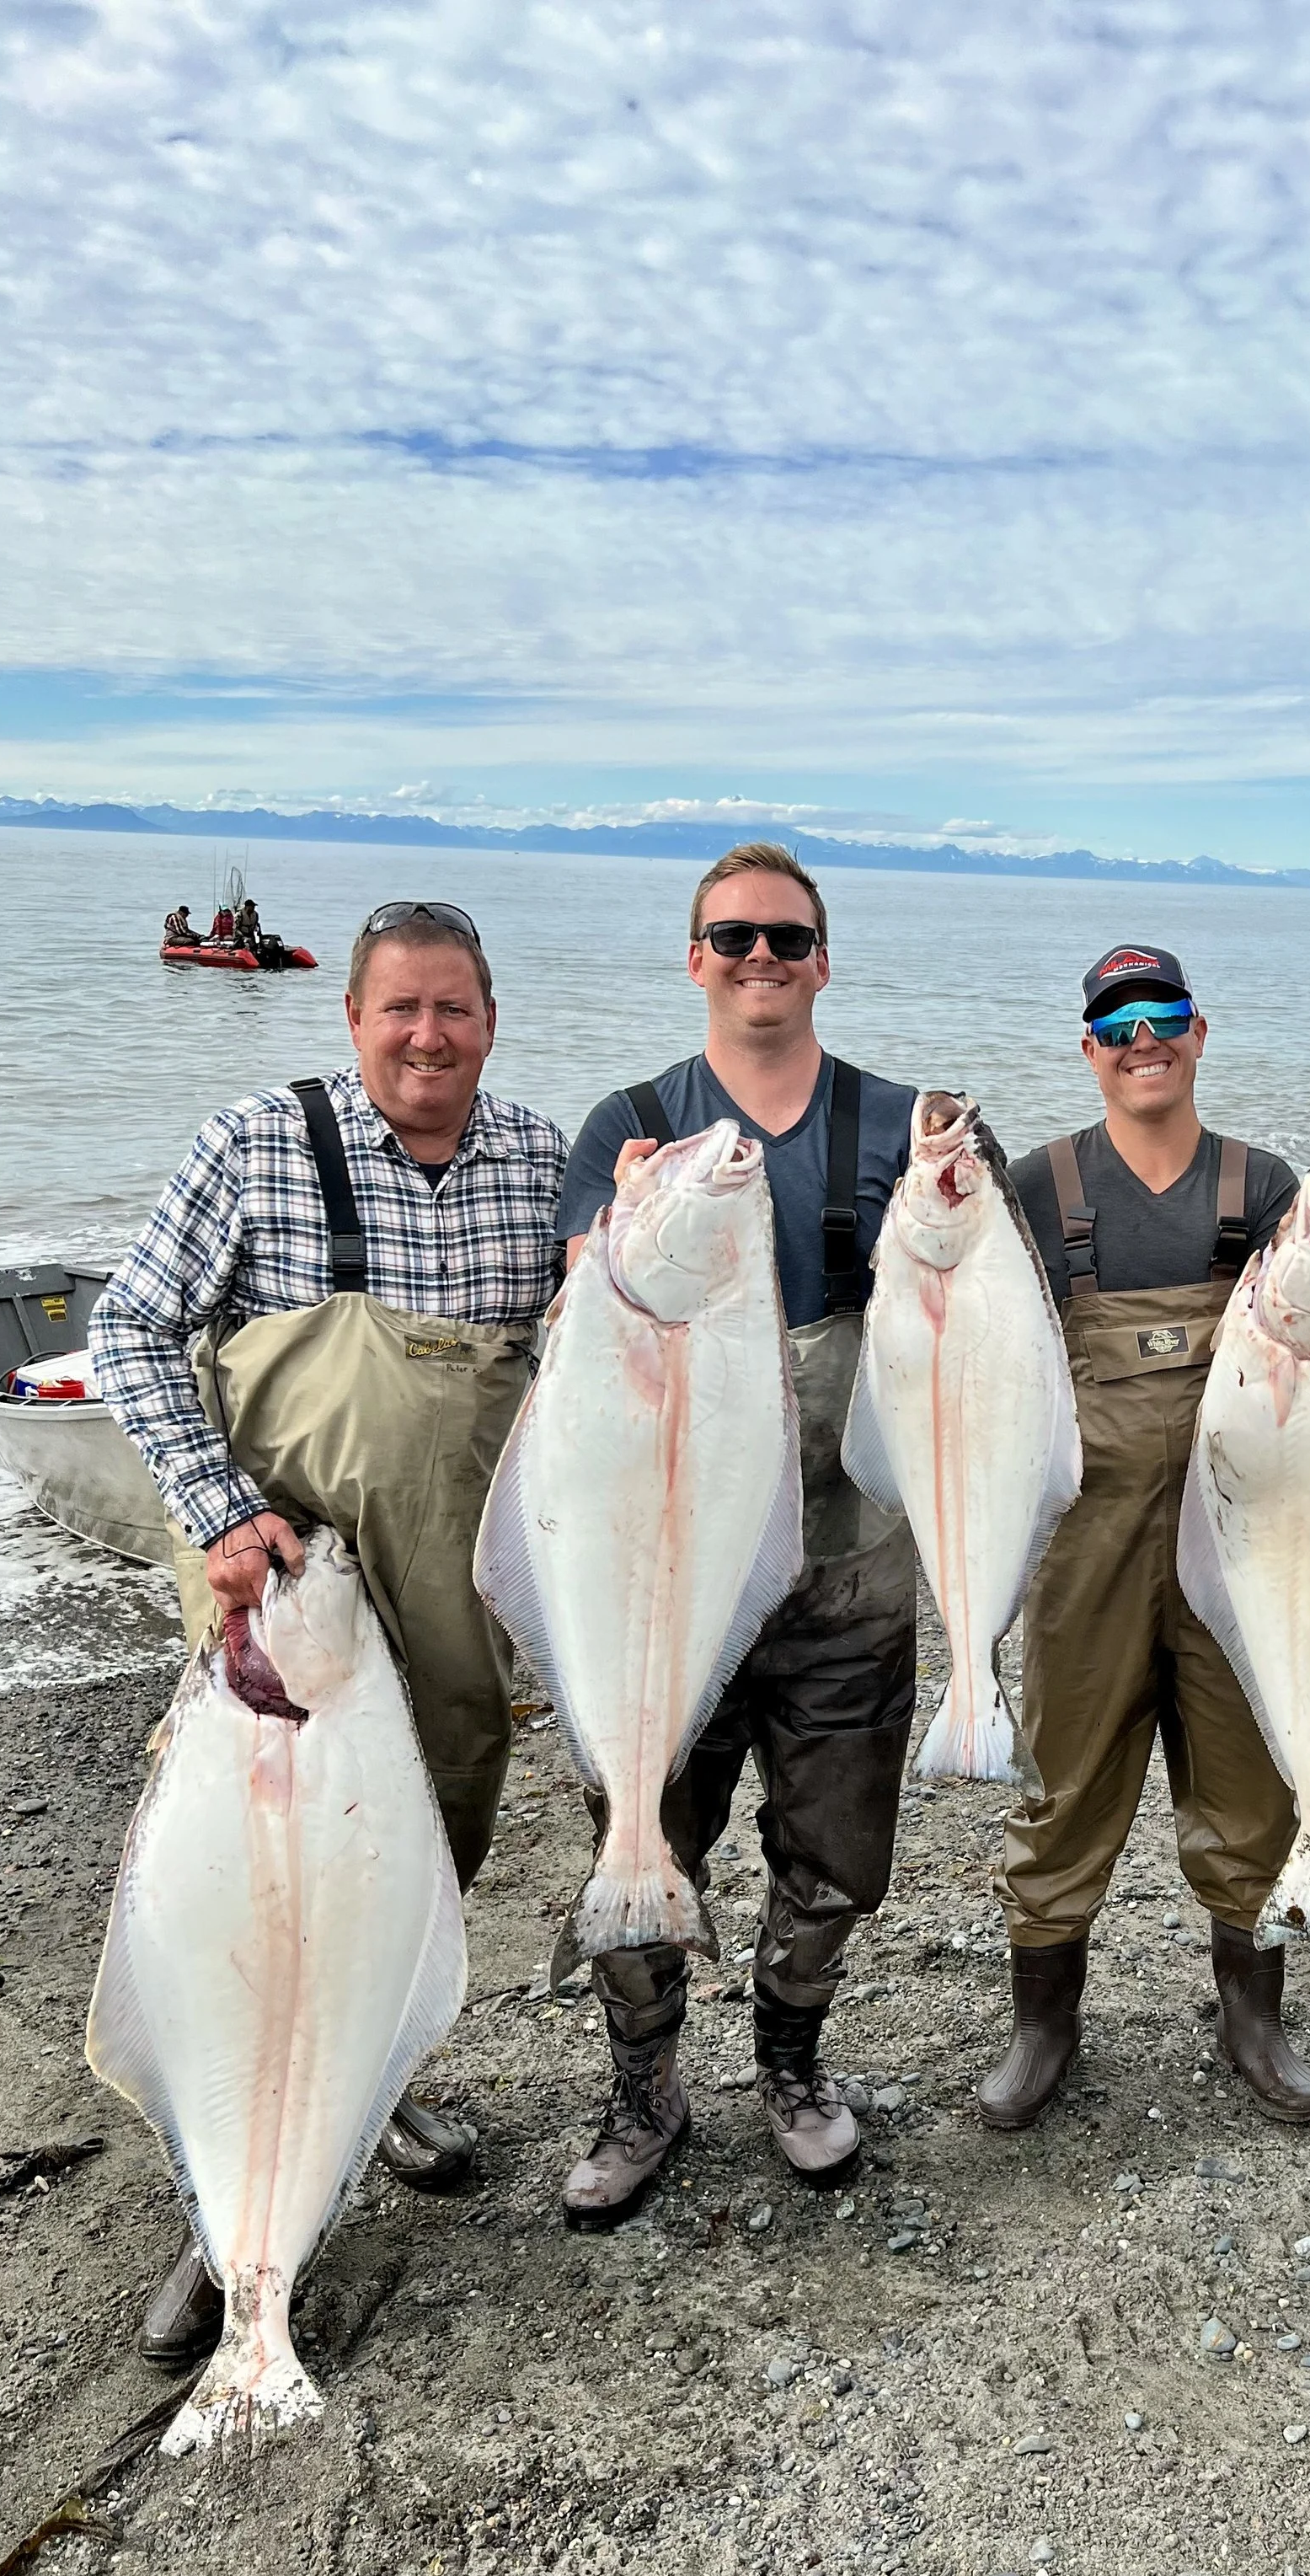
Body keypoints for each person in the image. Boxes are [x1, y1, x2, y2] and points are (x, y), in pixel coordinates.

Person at [93, 900, 568, 2355]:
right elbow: (127, 1329)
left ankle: (372, 2085)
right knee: (247, 1889)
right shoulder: (257, 1144)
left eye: (456, 1010)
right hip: (280, 1599)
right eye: (399, 1010)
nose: (428, 1037)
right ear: (351, 1017)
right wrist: (221, 1508)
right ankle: (223, 2212)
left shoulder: (544, 1163)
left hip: (451, 1595)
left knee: (426, 1847)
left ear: (492, 1018)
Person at [553, 843, 925, 2218]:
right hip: (665, 1580)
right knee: (639, 1828)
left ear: (823, 959)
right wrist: (614, 1236)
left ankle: (789, 2054)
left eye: (785, 938)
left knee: (839, 1855)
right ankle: (645, 2085)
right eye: (731, 938)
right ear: (692, 957)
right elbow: (578, 1314)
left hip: (848, 1571)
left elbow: (981, 1319)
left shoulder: (900, 1123)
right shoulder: (628, 1126)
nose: (758, 959)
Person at [978, 943, 1310, 2130]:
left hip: (1241, 1544)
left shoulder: (1264, 1188)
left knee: (1250, 1781)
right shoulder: (1033, 1189)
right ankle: (1042, 2030)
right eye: (1117, 1026)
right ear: (1089, 1051)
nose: (1142, 1042)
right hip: (1086, 1549)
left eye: (1163, 1016)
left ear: (1199, 1031)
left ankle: (1253, 2019)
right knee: (1061, 1782)